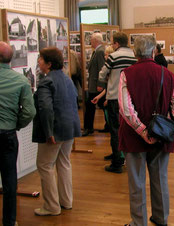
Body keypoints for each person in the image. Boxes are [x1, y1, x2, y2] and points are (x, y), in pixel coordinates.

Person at [118, 35, 174, 226]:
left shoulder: (127, 74)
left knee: (136, 183)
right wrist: (164, 126)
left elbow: (126, 109)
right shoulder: (168, 74)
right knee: (160, 179)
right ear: (154, 51)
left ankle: (139, 223)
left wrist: (143, 131)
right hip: (161, 136)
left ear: (134, 53)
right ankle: (161, 218)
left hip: (133, 137)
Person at [32, 47, 81, 216]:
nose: (39, 61)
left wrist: (48, 132)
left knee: (44, 165)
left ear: (49, 64)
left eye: (41, 59)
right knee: (64, 162)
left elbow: (45, 108)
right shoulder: (66, 79)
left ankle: (51, 206)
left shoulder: (47, 81)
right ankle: (66, 201)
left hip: (56, 130)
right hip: (69, 128)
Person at [0, 41, 36, 226]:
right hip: (7, 134)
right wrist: (16, 125)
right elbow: (30, 112)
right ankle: (9, 221)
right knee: (9, 180)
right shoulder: (20, 80)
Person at [98, 32, 137, 173]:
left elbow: (102, 74)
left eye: (112, 43)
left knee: (115, 131)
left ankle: (117, 162)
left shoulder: (113, 56)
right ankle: (129, 160)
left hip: (115, 97)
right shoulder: (134, 55)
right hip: (130, 97)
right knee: (129, 128)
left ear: (117, 44)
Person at [82, 32, 107, 136]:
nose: (90, 41)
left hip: (97, 86)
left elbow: (102, 69)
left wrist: (100, 84)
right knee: (100, 105)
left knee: (90, 105)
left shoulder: (100, 52)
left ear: (96, 40)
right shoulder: (97, 51)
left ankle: (88, 128)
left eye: (91, 40)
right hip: (95, 85)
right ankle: (105, 126)